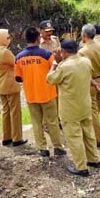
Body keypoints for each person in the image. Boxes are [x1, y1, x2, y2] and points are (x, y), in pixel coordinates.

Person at [46, 39, 100, 176]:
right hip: (85, 105)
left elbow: (50, 79)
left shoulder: (64, 66)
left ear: (64, 52)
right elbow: (88, 76)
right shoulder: (86, 61)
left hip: (70, 109)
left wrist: (55, 63)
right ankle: (93, 160)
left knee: (74, 137)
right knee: (88, 134)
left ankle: (81, 167)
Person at [15, 27, 66, 157]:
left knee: (36, 122)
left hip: (31, 95)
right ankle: (58, 147)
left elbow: (18, 78)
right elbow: (54, 72)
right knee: (52, 122)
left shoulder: (18, 58)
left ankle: (42, 148)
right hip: (48, 93)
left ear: (25, 39)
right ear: (38, 38)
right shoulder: (47, 55)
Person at [0, 29, 27, 147]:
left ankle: (6, 137)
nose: (9, 39)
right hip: (10, 84)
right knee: (15, 112)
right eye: (7, 37)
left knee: (5, 111)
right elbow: (17, 63)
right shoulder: (4, 52)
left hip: (0, 85)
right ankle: (17, 138)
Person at [78, 24, 100, 146]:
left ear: (84, 35)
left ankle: (98, 139)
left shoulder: (82, 52)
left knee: (93, 110)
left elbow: (83, 70)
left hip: (91, 82)